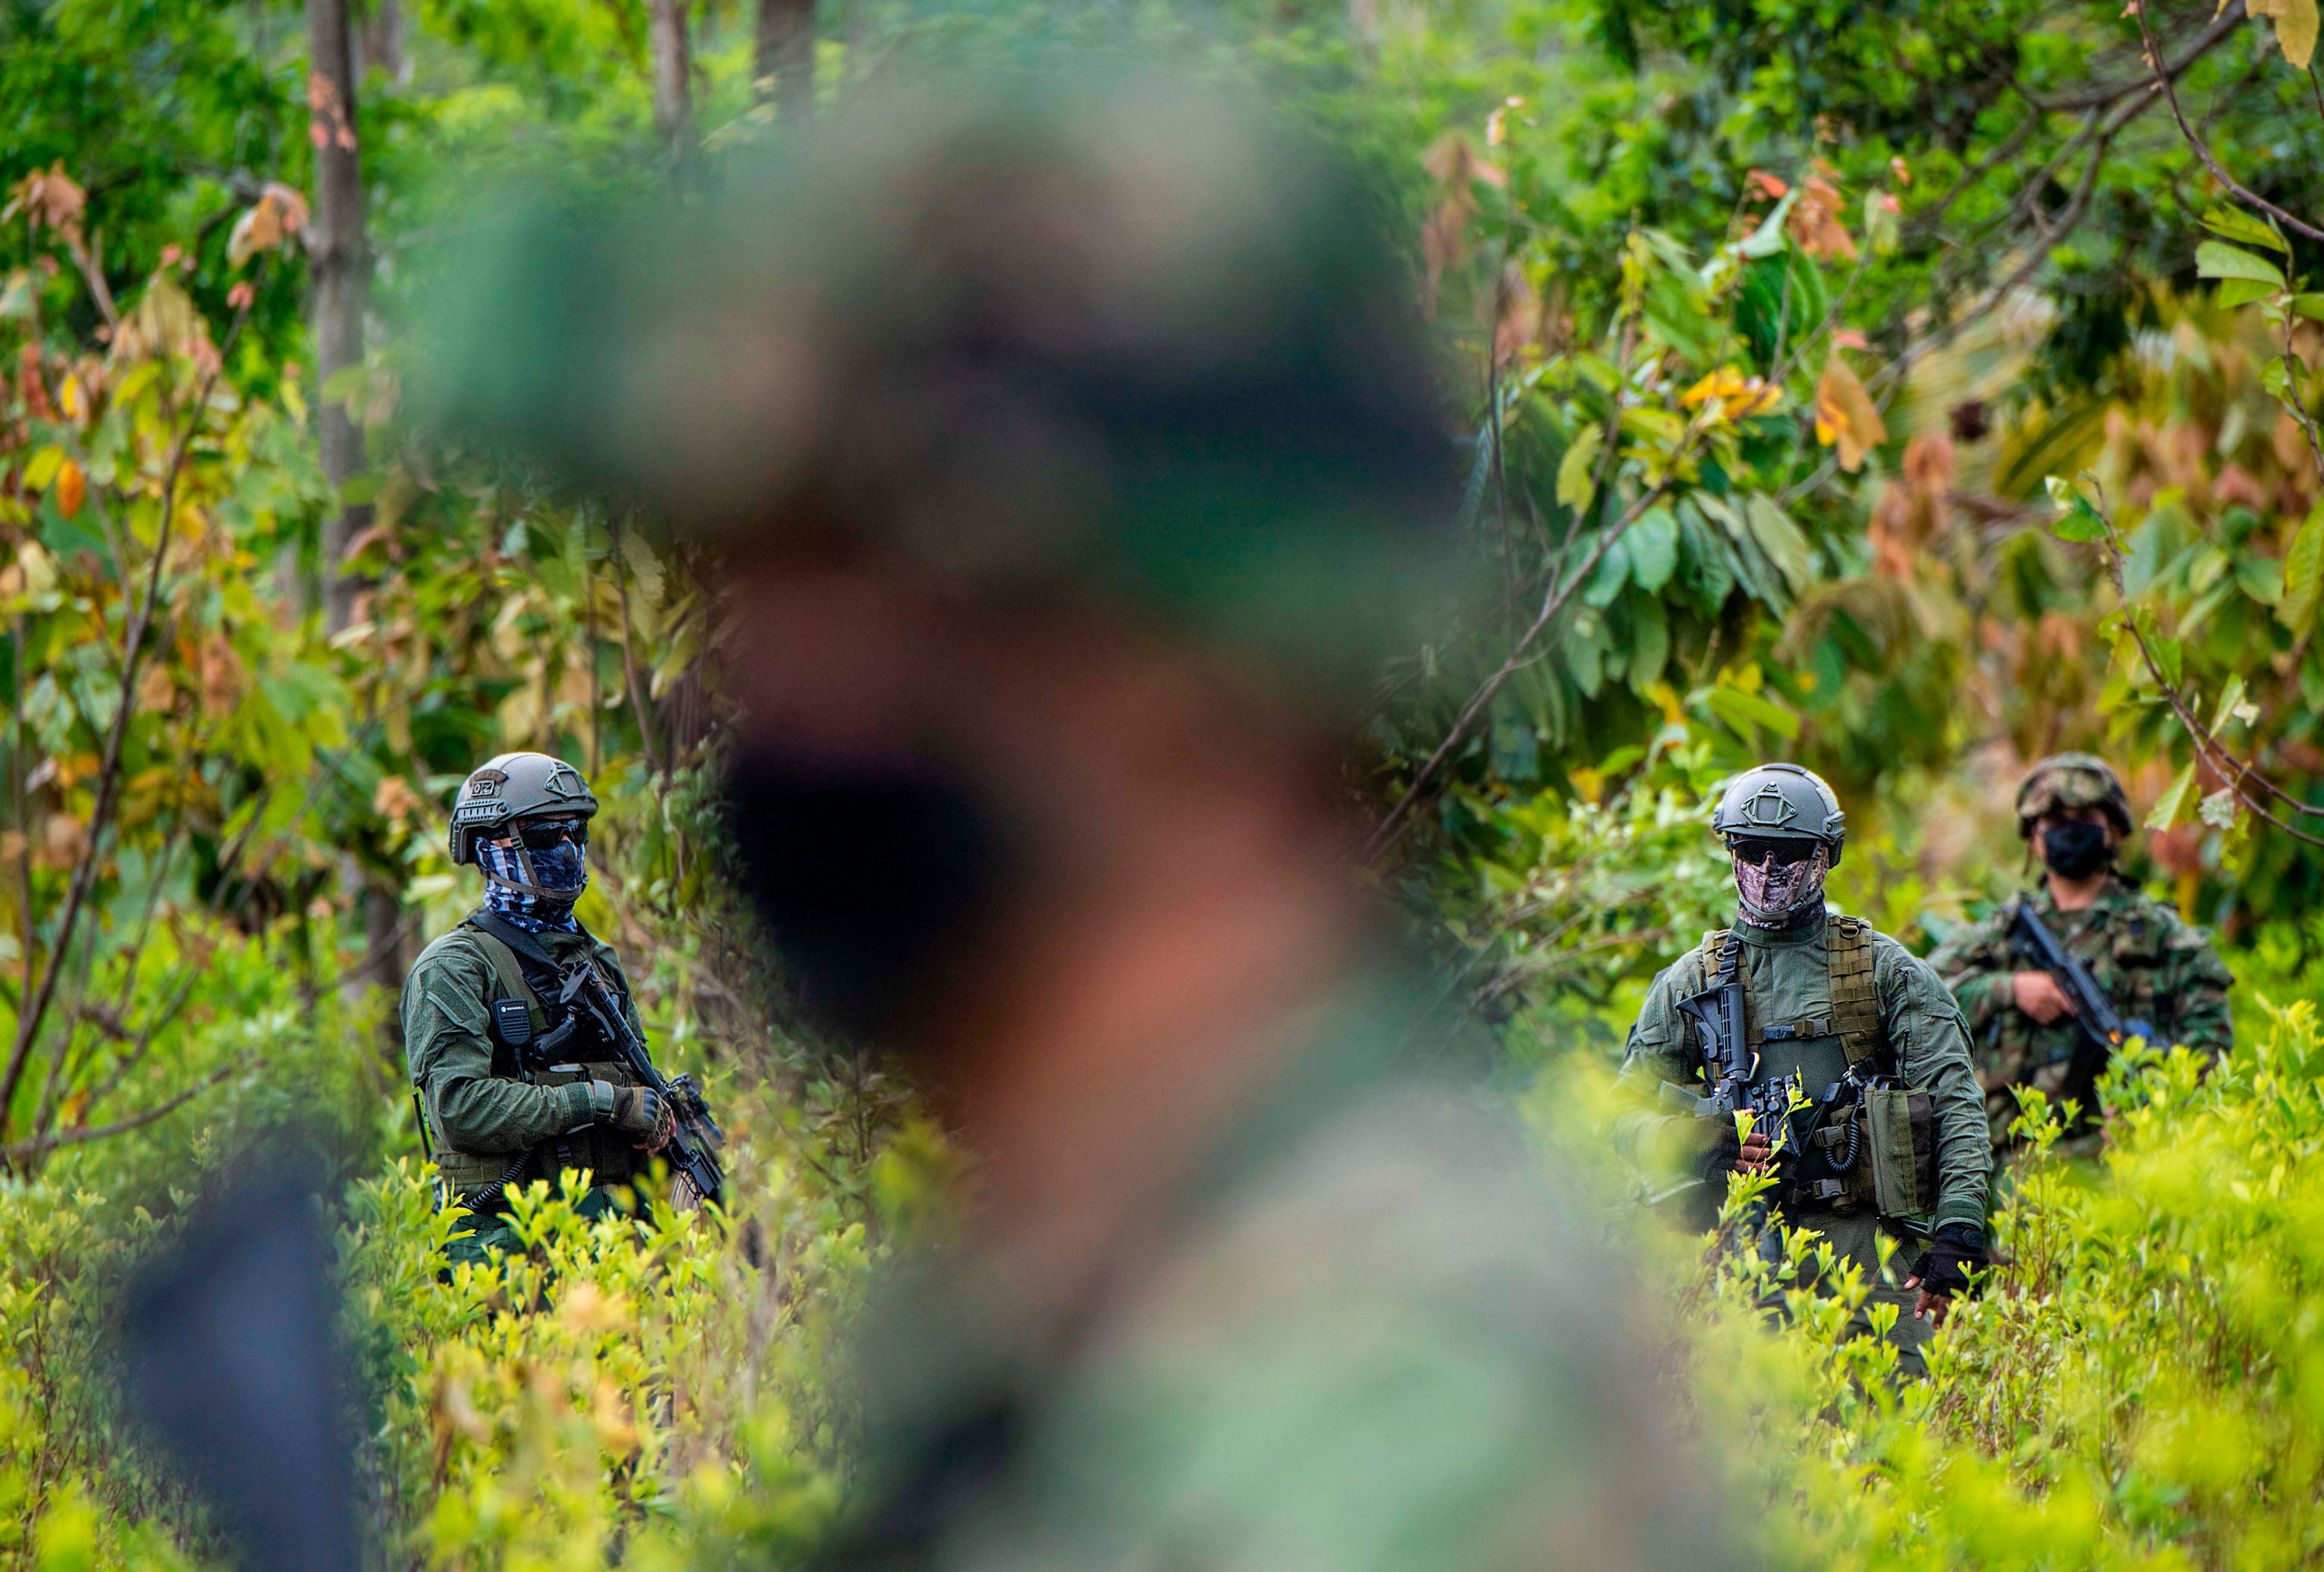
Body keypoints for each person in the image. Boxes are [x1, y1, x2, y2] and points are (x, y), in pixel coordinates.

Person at [442, 76, 1730, 1572]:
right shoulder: (1094, 1277)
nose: (770, 709)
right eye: (761, 603)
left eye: (881, 597)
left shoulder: (1377, 1400)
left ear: (1198, 681)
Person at [1615, 763, 1991, 1379]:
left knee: (1890, 1448)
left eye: (1787, 851)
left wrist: (1957, 1232)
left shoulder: (1883, 970)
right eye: (1750, 848)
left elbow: (1955, 1104)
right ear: (1730, 852)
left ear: (1824, 856)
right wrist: (1693, 1140)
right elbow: (1620, 1113)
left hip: (1872, 1256)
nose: (1768, 869)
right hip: (1748, 1256)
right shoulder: (1690, 980)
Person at [400, 751, 676, 1268]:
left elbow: (636, 1082)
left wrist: (661, 1120)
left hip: (616, 1246)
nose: (568, 849)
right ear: (490, 849)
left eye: (577, 833)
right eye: (548, 836)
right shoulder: (455, 967)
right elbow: (460, 1108)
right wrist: (599, 1102)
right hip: (507, 1252)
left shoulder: (596, 959)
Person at [1928, 752, 2234, 1154]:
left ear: (2114, 829)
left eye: (2086, 818)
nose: (2069, 831)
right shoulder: (2001, 934)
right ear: (2033, 837)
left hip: (2127, 1170)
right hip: (2017, 1176)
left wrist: (2155, 1107)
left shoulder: (2164, 937)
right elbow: (1923, 997)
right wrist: (2009, 988)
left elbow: (2211, 1046)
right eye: (2055, 821)